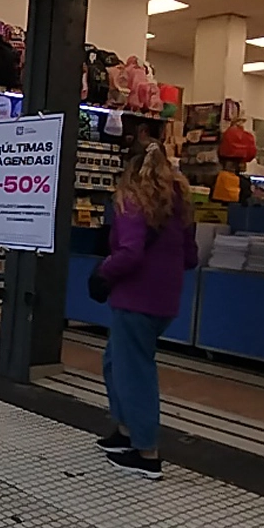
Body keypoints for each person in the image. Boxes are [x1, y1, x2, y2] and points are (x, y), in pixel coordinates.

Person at [94, 142, 197, 480]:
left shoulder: (132, 201)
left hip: (135, 300)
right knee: (115, 362)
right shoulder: (180, 204)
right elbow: (191, 257)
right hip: (164, 301)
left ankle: (146, 452)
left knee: (134, 373)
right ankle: (125, 431)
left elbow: (130, 253)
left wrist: (103, 272)